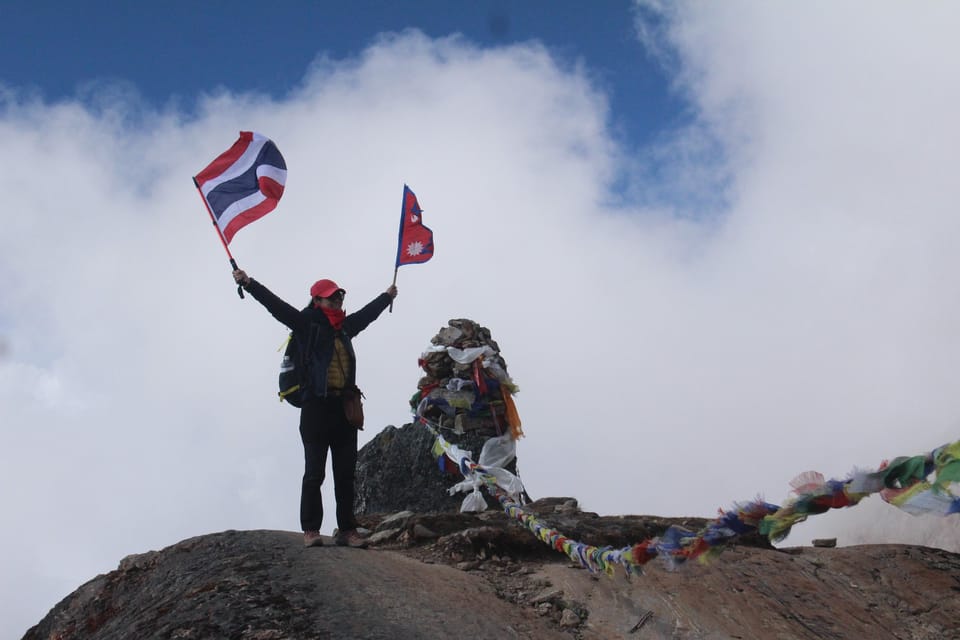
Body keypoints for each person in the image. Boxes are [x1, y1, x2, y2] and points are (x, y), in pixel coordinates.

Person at [233, 268, 397, 548]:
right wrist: (249, 284)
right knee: (315, 472)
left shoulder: (344, 327)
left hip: (343, 408)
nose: (336, 302)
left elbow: (367, 315)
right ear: (317, 301)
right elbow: (276, 306)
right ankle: (311, 529)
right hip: (315, 408)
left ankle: (347, 530)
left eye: (339, 298)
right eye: (330, 298)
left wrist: (386, 296)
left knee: (346, 473)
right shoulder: (306, 323)